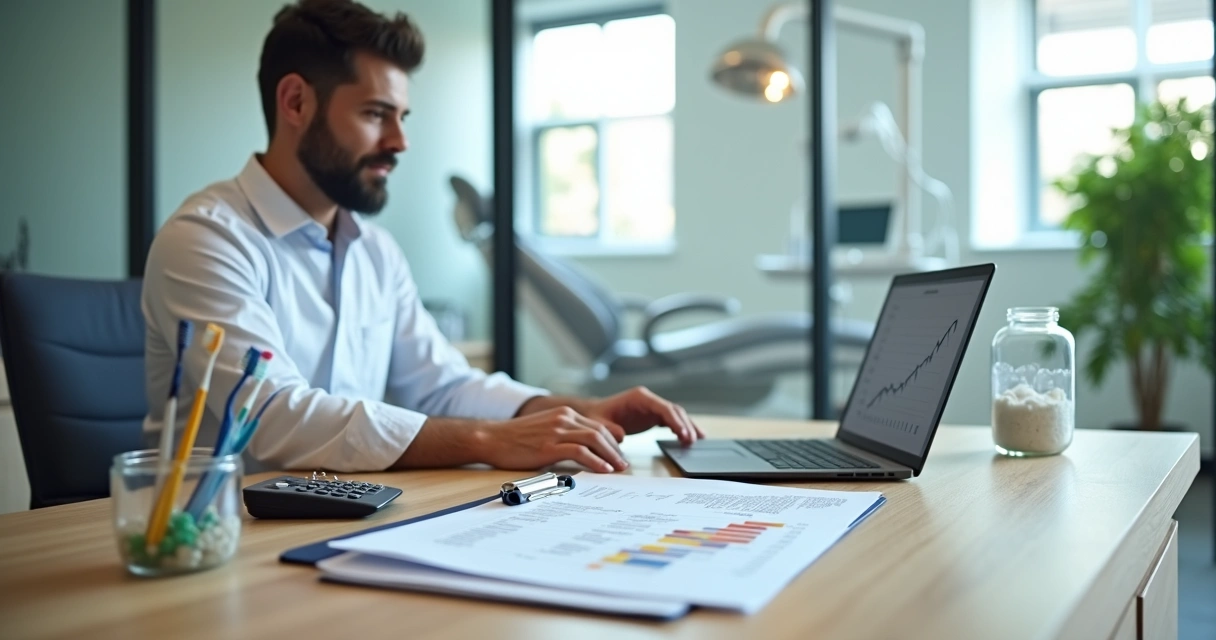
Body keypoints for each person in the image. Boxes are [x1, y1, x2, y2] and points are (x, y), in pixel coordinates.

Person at [141, 0, 702, 475]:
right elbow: (269, 415)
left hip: (341, 512)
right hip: (218, 534)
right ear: (295, 103)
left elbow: (442, 386)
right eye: (376, 114)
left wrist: (582, 409)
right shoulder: (207, 240)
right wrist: (486, 442)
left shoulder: (374, 251)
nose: (400, 140)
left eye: (402, 115)